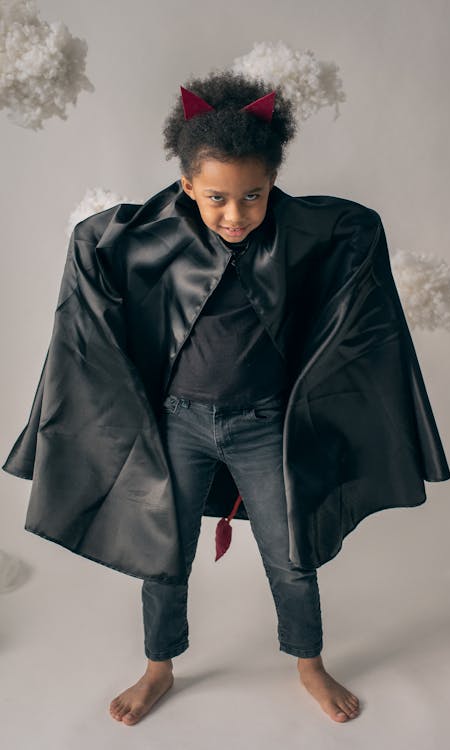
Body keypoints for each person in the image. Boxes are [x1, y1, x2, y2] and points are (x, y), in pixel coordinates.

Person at [108, 71, 362, 725]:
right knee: (164, 554)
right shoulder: (163, 242)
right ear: (187, 187)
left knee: (291, 553)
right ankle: (158, 667)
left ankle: (309, 662)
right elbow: (102, 245)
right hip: (181, 423)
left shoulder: (291, 242)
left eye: (253, 195)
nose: (235, 213)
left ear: (273, 185)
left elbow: (353, 228)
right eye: (217, 197)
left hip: (262, 424)